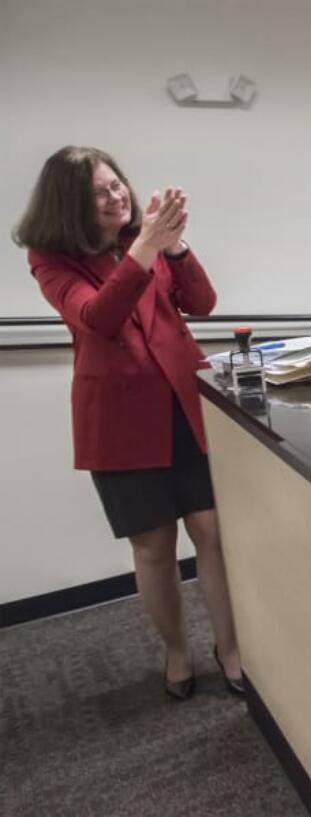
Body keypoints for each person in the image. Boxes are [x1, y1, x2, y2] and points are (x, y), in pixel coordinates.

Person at [14, 146, 243, 699]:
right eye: (101, 191)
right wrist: (143, 249)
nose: (117, 196)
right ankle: (176, 651)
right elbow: (98, 316)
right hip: (117, 420)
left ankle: (231, 647)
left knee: (212, 532)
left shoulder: (145, 237)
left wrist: (177, 247)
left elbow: (203, 302)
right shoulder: (51, 257)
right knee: (153, 546)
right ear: (71, 203)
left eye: (118, 185)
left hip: (183, 403)